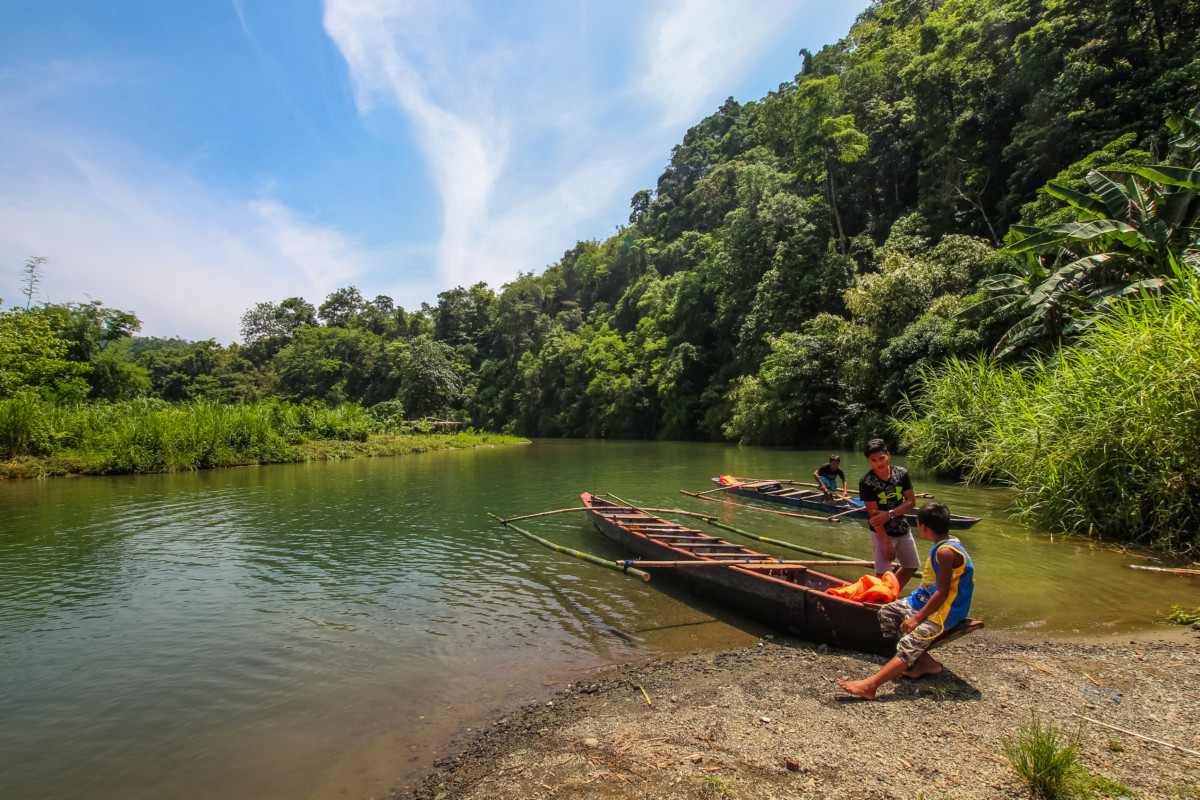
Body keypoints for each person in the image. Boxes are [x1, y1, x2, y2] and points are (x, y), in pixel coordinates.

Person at [837, 502, 975, 700]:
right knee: (887, 612)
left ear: (923, 527)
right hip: (925, 601)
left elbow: (943, 592)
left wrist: (917, 618)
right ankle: (925, 662)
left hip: (946, 611)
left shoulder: (945, 552)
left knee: (910, 642)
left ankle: (871, 685)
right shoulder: (946, 543)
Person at [859, 438, 920, 590]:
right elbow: (874, 516)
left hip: (902, 528)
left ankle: (890, 592)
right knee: (882, 574)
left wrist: (890, 514)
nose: (879, 463)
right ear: (868, 461)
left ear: (888, 455)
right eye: (874, 460)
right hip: (881, 533)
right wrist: (886, 543)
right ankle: (881, 600)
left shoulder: (901, 473)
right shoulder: (866, 482)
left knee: (911, 566)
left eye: (881, 458)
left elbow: (911, 502)